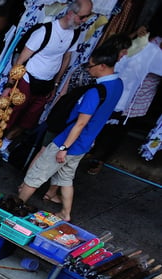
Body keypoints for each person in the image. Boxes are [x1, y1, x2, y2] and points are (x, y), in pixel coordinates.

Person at [17, 43, 123, 221]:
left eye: (91, 66)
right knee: (65, 177)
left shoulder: (95, 92)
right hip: (85, 143)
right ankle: (65, 213)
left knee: (35, 176)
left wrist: (64, 147)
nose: (88, 70)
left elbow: (80, 124)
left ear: (102, 66)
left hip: (68, 142)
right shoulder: (118, 84)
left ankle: (15, 207)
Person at [0, 0, 93, 157]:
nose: (84, 21)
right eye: (82, 17)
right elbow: (21, 59)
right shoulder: (44, 32)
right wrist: (10, 84)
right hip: (27, 80)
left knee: (28, 121)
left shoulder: (75, 33)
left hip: (46, 85)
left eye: (86, 17)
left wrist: (55, 83)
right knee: (10, 116)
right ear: (71, 13)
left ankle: (4, 145)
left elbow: (66, 58)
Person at [86, 22, 162, 174]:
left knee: (117, 129)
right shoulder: (140, 40)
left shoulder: (153, 51)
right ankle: (91, 150)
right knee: (101, 122)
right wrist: (135, 33)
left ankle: (99, 158)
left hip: (135, 96)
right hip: (115, 88)